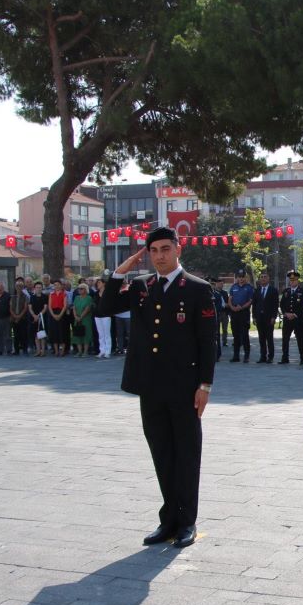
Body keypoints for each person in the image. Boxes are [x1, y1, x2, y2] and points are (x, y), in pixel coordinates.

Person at [98, 227, 216, 550]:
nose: (160, 255)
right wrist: (119, 271)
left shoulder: (197, 288)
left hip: (185, 388)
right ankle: (168, 520)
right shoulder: (140, 287)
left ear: (178, 250)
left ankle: (187, 520)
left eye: (166, 248)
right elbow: (105, 306)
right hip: (150, 387)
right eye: (154, 250)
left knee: (187, 455)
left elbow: (208, 342)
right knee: (162, 454)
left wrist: (205, 384)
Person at [278, 270, 303, 364]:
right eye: (291, 280)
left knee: (300, 339)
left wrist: (294, 314)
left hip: (298, 319)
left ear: (297, 280)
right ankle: (285, 358)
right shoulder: (286, 291)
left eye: (294, 280)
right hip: (287, 319)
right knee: (285, 339)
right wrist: (286, 314)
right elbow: (282, 304)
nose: (292, 282)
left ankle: (302, 358)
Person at [252, 271, 279, 364]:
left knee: (269, 338)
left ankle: (270, 357)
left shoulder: (273, 290)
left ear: (268, 278)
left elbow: (275, 305)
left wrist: (273, 317)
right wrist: (254, 317)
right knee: (261, 338)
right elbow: (254, 304)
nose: (263, 278)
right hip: (259, 317)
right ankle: (262, 356)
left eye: (265, 277)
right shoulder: (257, 290)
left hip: (269, 318)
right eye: (261, 277)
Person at [228, 269, 254, 363]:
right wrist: (232, 307)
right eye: (239, 277)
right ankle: (236, 356)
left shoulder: (249, 287)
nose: (241, 279)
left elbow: (250, 301)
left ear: (245, 277)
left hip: (244, 313)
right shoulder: (233, 287)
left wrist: (241, 307)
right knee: (236, 335)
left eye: (243, 277)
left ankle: (246, 356)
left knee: (244, 335)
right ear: (237, 278)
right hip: (234, 313)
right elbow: (230, 299)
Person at [71, 282, 95, 358]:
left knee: (86, 334)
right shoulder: (76, 297)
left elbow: (87, 309)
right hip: (77, 319)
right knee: (77, 335)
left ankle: (85, 352)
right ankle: (79, 351)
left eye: (81, 288)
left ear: (85, 290)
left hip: (85, 319)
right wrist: (75, 316)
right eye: (79, 288)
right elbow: (74, 307)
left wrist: (80, 317)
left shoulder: (89, 298)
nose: (79, 290)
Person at [46, 280, 69, 357]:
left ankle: (62, 351)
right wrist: (53, 315)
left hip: (61, 313)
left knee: (62, 332)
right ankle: (56, 351)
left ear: (61, 285)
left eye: (58, 285)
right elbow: (49, 306)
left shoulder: (64, 294)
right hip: (53, 313)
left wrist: (60, 315)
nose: (57, 286)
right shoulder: (51, 294)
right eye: (55, 285)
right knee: (54, 332)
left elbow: (65, 305)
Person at [10, 280, 30, 355]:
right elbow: (10, 307)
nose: (18, 287)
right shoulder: (12, 296)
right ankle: (16, 350)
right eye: (17, 286)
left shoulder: (25, 296)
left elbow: (25, 308)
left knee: (23, 334)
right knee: (16, 335)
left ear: (22, 287)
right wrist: (15, 316)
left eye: (20, 286)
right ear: (15, 287)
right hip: (14, 319)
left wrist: (19, 316)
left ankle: (25, 349)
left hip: (23, 318)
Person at [29, 281, 48, 357]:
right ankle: (38, 351)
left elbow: (45, 308)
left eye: (40, 287)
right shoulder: (32, 297)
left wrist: (39, 316)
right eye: (37, 287)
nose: (38, 289)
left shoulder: (45, 297)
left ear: (42, 288)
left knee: (42, 335)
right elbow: (30, 307)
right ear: (34, 288)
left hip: (42, 318)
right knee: (36, 335)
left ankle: (43, 351)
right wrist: (34, 315)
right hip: (34, 318)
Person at [93, 279, 112, 359]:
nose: (98, 284)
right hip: (97, 315)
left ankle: (107, 352)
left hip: (106, 315)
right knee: (100, 334)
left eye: (99, 283)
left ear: (104, 284)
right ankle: (102, 351)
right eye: (97, 283)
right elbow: (94, 304)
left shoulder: (107, 293)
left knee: (107, 334)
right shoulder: (96, 293)